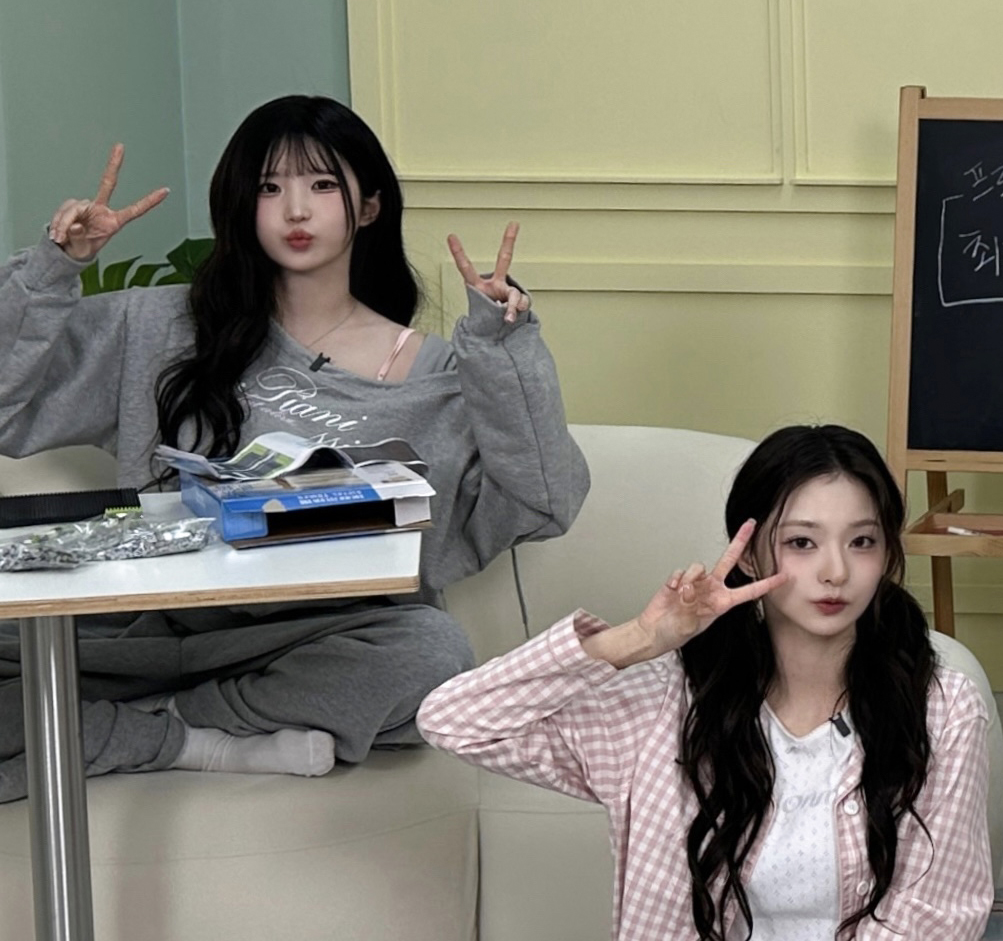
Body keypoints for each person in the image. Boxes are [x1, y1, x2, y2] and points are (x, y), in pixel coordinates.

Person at [0, 97, 586, 801]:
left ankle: (127, 729)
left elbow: (543, 502)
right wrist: (51, 272)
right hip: (138, 639)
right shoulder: (160, 326)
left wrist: (500, 346)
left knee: (429, 653)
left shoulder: (433, 373)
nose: (296, 210)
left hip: (315, 642)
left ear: (368, 206)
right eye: (270, 187)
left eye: (323, 185)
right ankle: (188, 739)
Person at [418, 423, 994, 941]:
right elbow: (454, 719)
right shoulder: (664, 708)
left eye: (862, 542)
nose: (836, 572)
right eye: (802, 543)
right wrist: (638, 639)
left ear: (888, 554)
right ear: (749, 556)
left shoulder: (942, 710)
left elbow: (924, 915)